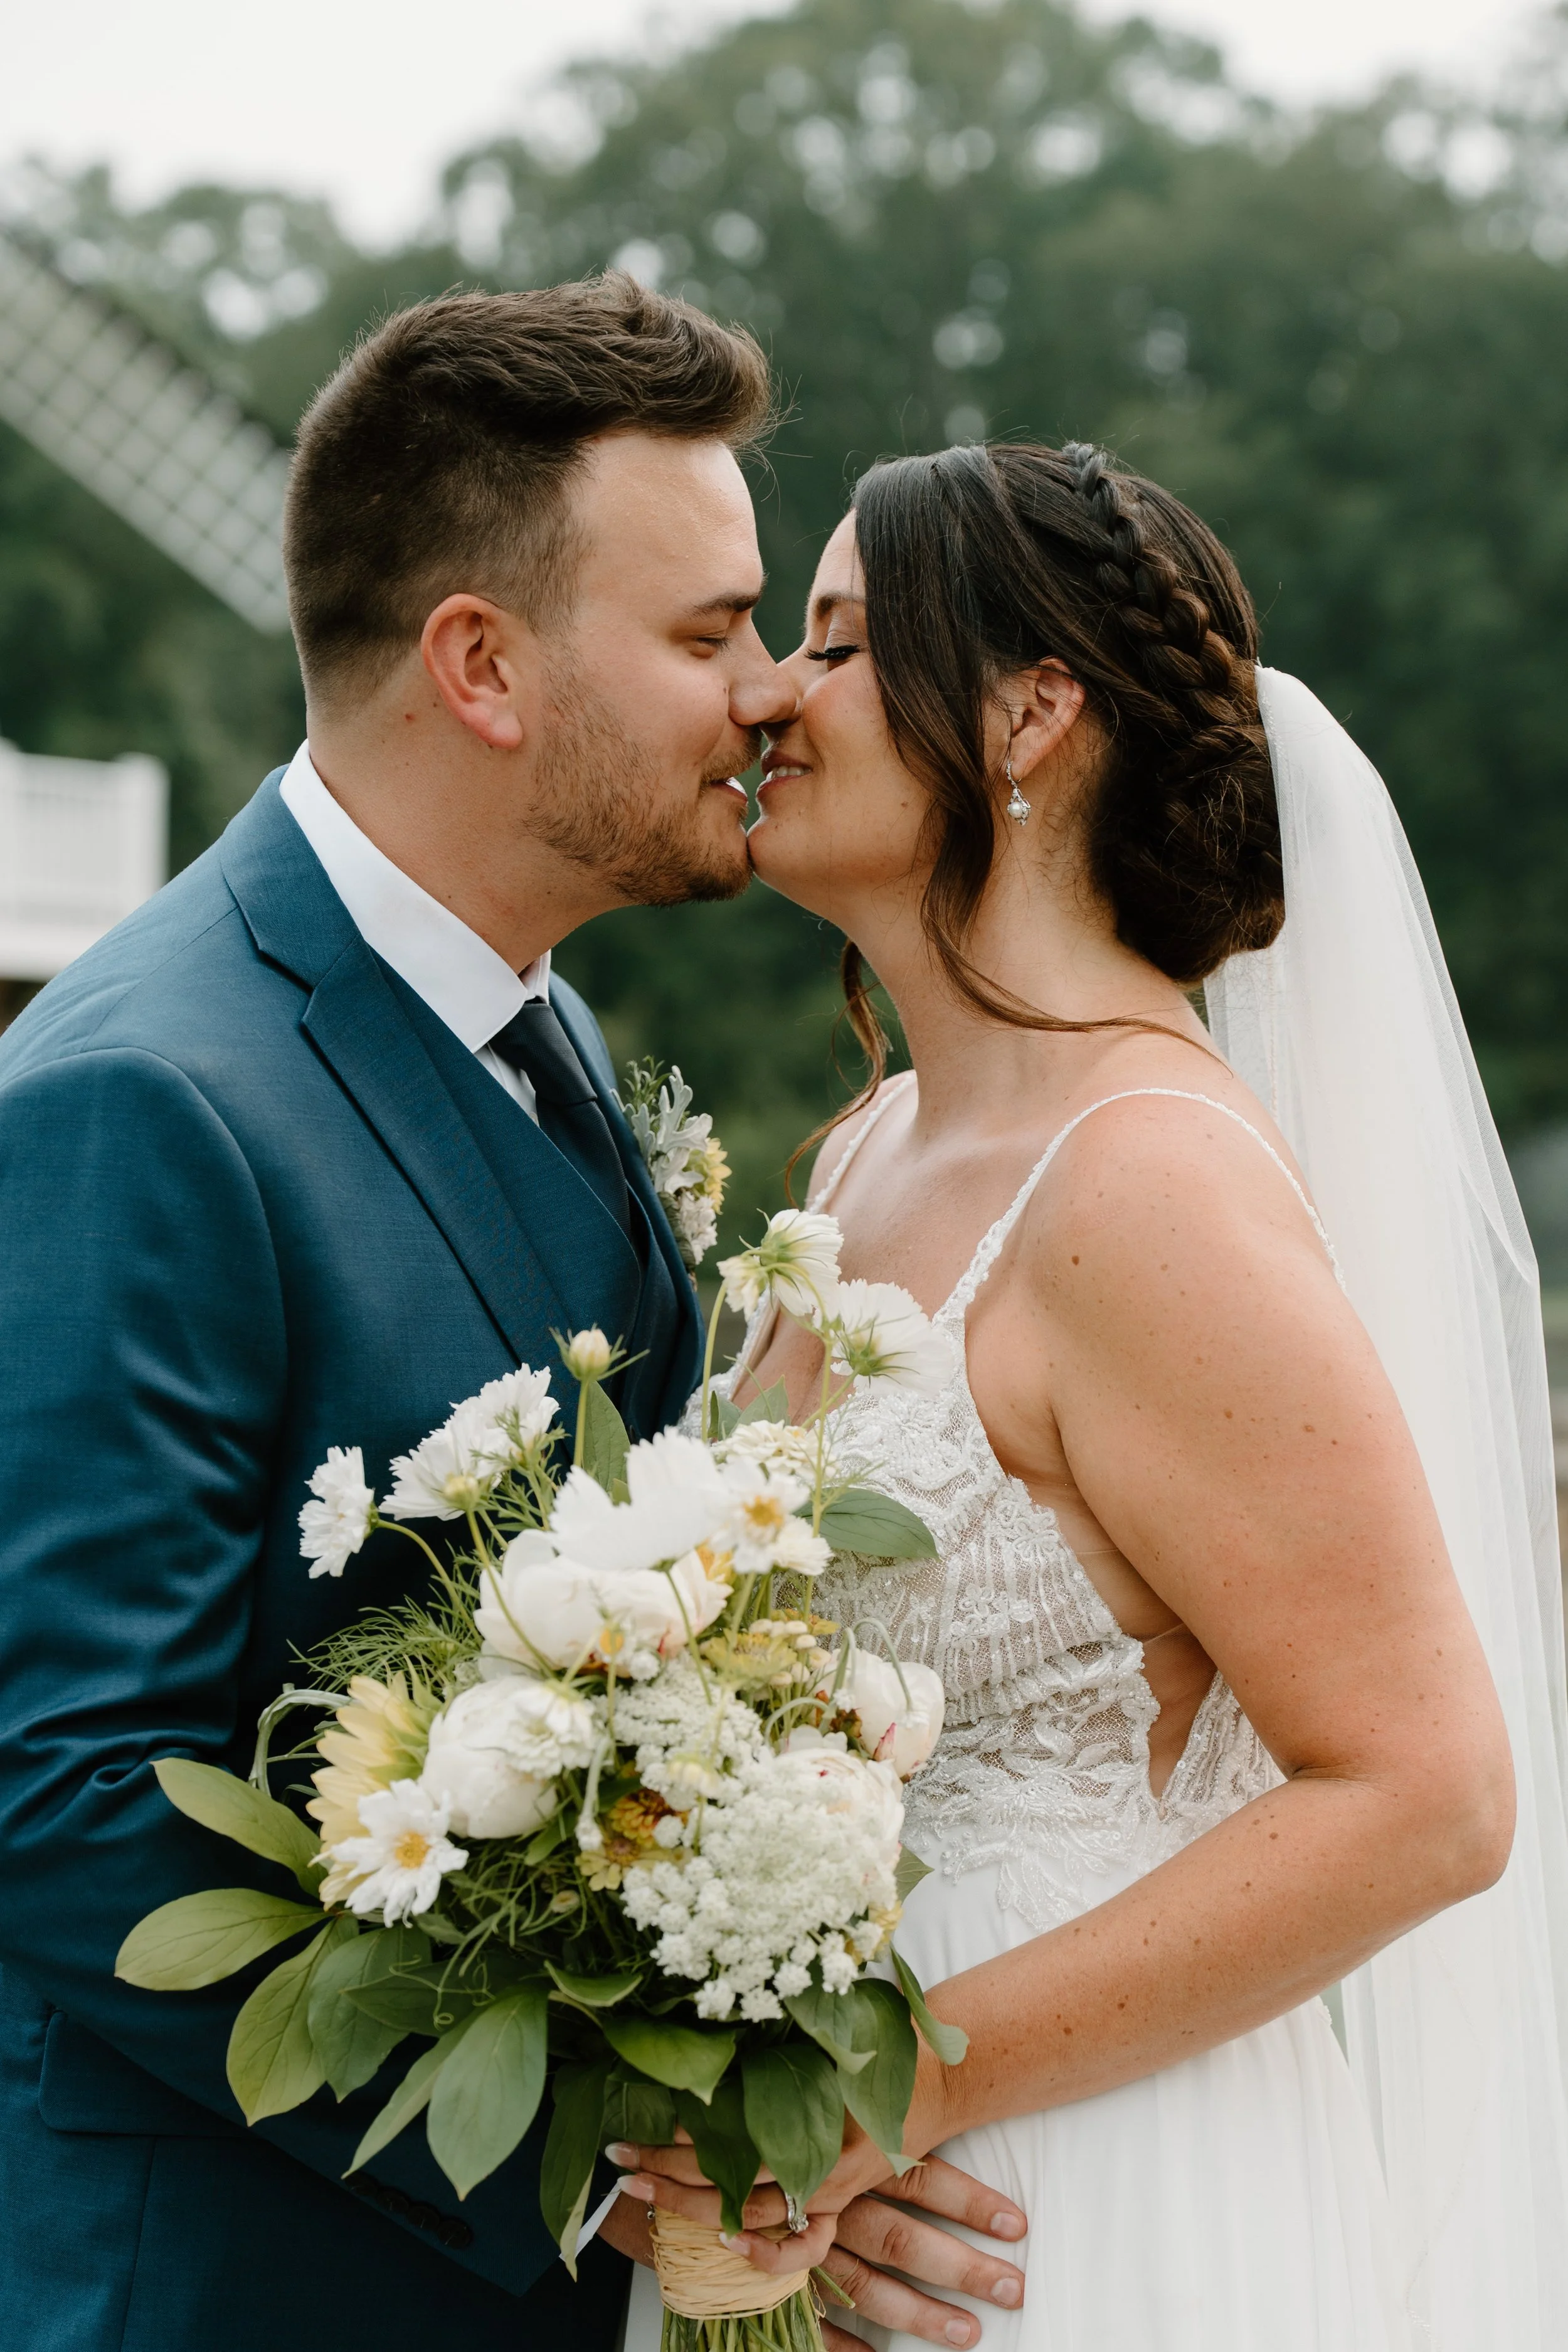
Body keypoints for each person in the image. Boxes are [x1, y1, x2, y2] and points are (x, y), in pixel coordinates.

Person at [0, 280, 1027, 2352]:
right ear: (480, 663)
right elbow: (61, 1795)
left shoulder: (542, 1015)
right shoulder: (144, 1092)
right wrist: (623, 2166)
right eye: (701, 631)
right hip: (235, 2291)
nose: (764, 695)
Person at [613, 442, 1568, 2351]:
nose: (771, 697)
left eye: (840, 642)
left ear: (1030, 708)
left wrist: (905, 2089)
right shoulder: (856, 1155)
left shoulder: (1142, 1184)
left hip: (1071, 2201)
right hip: (805, 2195)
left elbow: (1429, 1790)